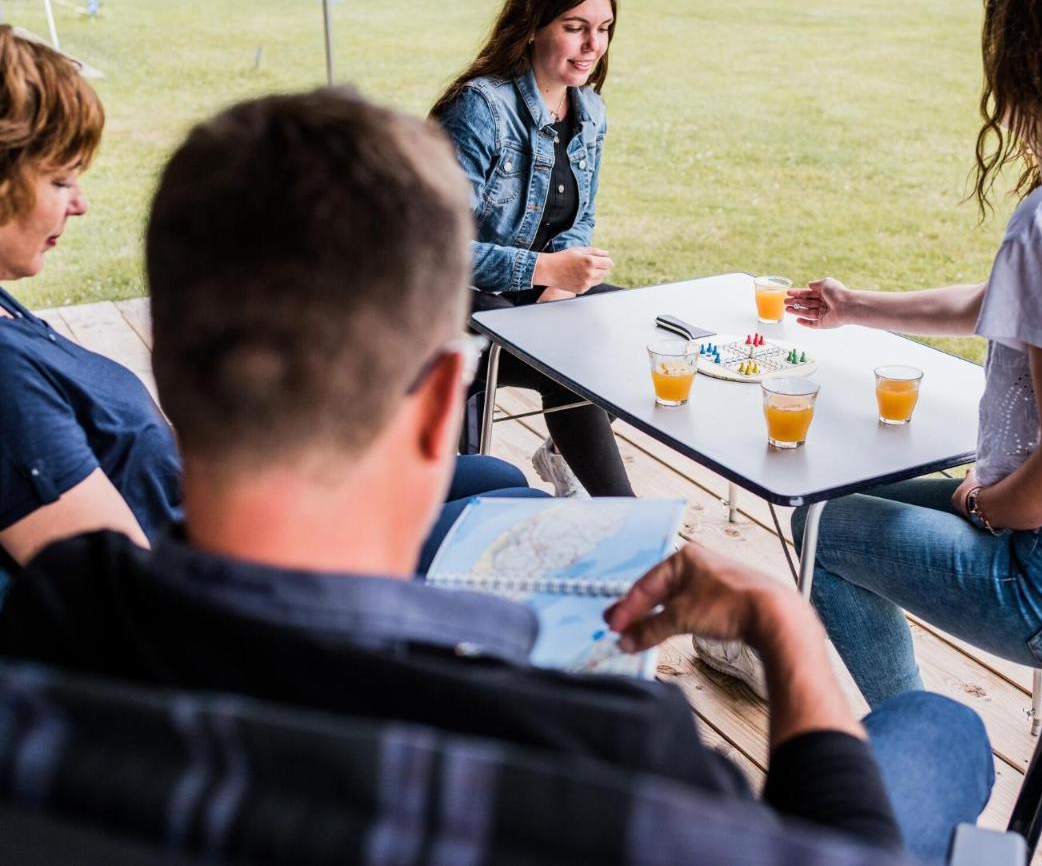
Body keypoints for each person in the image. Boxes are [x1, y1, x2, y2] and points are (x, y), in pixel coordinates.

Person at [0, 89, 992, 863]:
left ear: (167, 358)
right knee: (942, 730)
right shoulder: (611, 760)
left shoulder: (50, 640)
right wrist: (785, 622)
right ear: (440, 401)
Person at [769, 0, 1042, 709]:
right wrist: (854, 305)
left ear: (1025, 57)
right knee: (847, 489)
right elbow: (1015, 305)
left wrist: (984, 506)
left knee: (822, 526)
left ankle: (912, 741)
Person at [0, 27, 540, 588]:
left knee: (496, 475)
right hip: (241, 577)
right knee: (520, 507)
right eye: (61, 179)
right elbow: (126, 594)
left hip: (219, 517)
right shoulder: (6, 386)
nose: (81, 204)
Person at [432, 0, 635, 500]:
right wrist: (544, 271)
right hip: (446, 297)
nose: (593, 45)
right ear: (531, 26)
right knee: (565, 359)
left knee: (630, 327)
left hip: (531, 293)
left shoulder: (588, 108)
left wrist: (561, 286)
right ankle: (628, 520)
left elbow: (580, 218)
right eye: (575, 26)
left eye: (605, 28)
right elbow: (435, 246)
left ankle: (564, 453)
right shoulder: (481, 108)